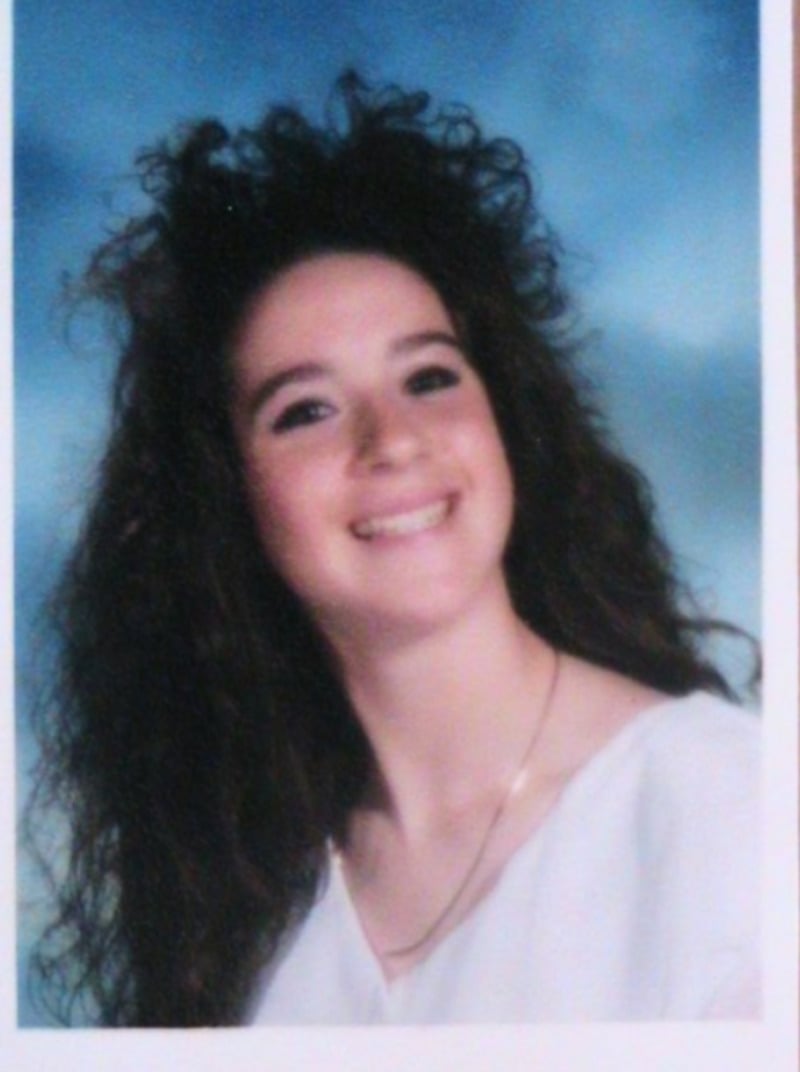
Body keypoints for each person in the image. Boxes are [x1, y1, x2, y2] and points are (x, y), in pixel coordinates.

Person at [28, 72, 760, 1027]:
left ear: (508, 424)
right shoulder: (254, 915)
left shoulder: (726, 808)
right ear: (226, 502)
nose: (393, 439)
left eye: (427, 376)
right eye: (307, 410)